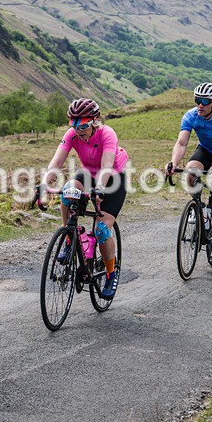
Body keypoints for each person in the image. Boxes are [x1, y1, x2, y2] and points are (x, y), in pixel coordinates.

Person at [38, 98, 129, 298]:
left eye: (83, 125)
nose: (78, 130)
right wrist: (44, 184)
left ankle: (111, 273)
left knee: (101, 229)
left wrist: (99, 189)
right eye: (74, 125)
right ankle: (69, 236)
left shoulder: (107, 134)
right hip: (88, 173)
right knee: (67, 191)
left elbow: (106, 167)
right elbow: (56, 162)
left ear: (95, 121)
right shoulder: (72, 135)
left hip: (113, 178)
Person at [165, 83, 212, 264]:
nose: (200, 105)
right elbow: (182, 143)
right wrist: (173, 163)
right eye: (197, 100)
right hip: (205, 150)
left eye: (205, 101)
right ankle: (200, 208)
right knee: (190, 171)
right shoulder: (191, 116)